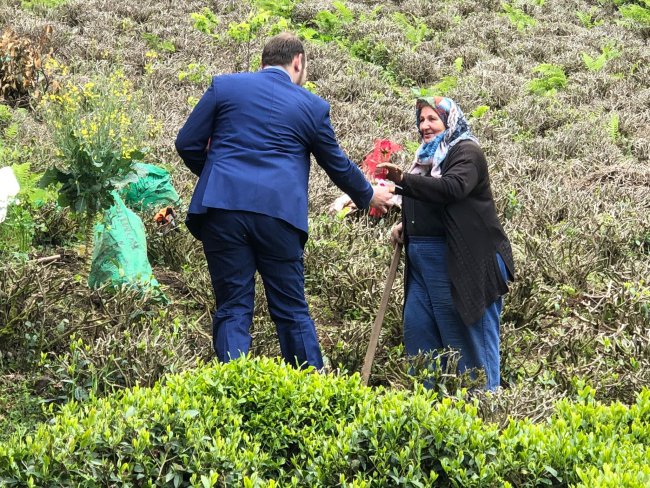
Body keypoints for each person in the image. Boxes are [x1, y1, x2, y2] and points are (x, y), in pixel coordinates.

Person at [175, 32, 394, 370]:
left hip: (222, 212)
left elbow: (187, 142)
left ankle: (231, 389)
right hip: (279, 216)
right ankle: (310, 391)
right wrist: (367, 195)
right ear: (297, 62)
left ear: (262, 62)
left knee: (233, 306)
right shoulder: (312, 106)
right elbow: (336, 164)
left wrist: (219, 179)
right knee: (291, 309)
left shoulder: (225, 86)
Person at [378, 96, 514, 390]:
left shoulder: (466, 151)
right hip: (423, 266)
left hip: (462, 263)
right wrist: (408, 224)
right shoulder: (425, 158)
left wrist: (401, 180)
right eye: (421, 120)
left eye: (432, 119)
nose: (425, 126)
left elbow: (452, 188)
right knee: (421, 341)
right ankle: (433, 421)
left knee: (469, 347)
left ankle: (484, 416)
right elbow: (430, 198)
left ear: (449, 121)